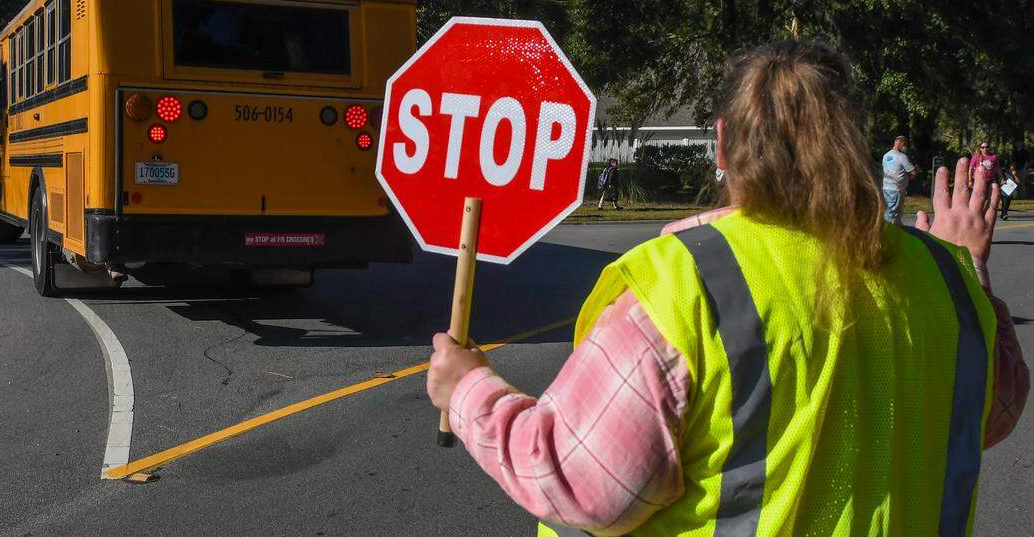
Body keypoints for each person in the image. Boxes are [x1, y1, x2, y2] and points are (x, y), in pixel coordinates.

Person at [427, 41, 1027, 536]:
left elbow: (577, 481)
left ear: (722, 142)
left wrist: (467, 390)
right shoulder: (949, 280)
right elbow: (993, 415)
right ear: (852, 144)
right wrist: (966, 267)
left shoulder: (684, 286)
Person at [881, 135, 916, 224]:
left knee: (888, 211)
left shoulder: (885, 156)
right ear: (902, 144)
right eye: (905, 145)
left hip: (886, 188)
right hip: (897, 189)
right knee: (893, 214)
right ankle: (890, 233)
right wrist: (908, 180)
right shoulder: (902, 157)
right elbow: (912, 172)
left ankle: (896, 229)